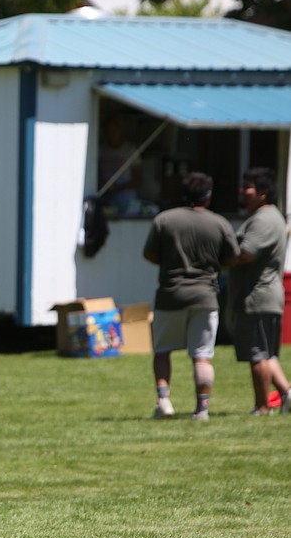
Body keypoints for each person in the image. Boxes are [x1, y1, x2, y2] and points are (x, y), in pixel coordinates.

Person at [143, 172, 240, 421]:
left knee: (163, 350)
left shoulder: (164, 220)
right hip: (205, 296)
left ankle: (163, 400)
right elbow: (232, 257)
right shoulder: (219, 223)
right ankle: (202, 409)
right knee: (202, 355)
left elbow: (150, 255)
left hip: (170, 294)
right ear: (208, 196)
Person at [226, 168, 291, 415]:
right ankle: (287, 394)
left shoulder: (263, 219)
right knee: (266, 353)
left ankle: (262, 407)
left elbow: (244, 254)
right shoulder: (270, 216)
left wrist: (218, 258)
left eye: (248, 187)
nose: (243, 191)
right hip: (267, 295)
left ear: (263, 193)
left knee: (258, 355)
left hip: (258, 296)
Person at [97, 114, 143, 216]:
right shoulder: (101, 150)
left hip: (127, 201)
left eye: (114, 131)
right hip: (107, 200)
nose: (111, 134)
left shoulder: (129, 150)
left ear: (120, 130)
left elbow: (138, 179)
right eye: (108, 131)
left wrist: (120, 187)